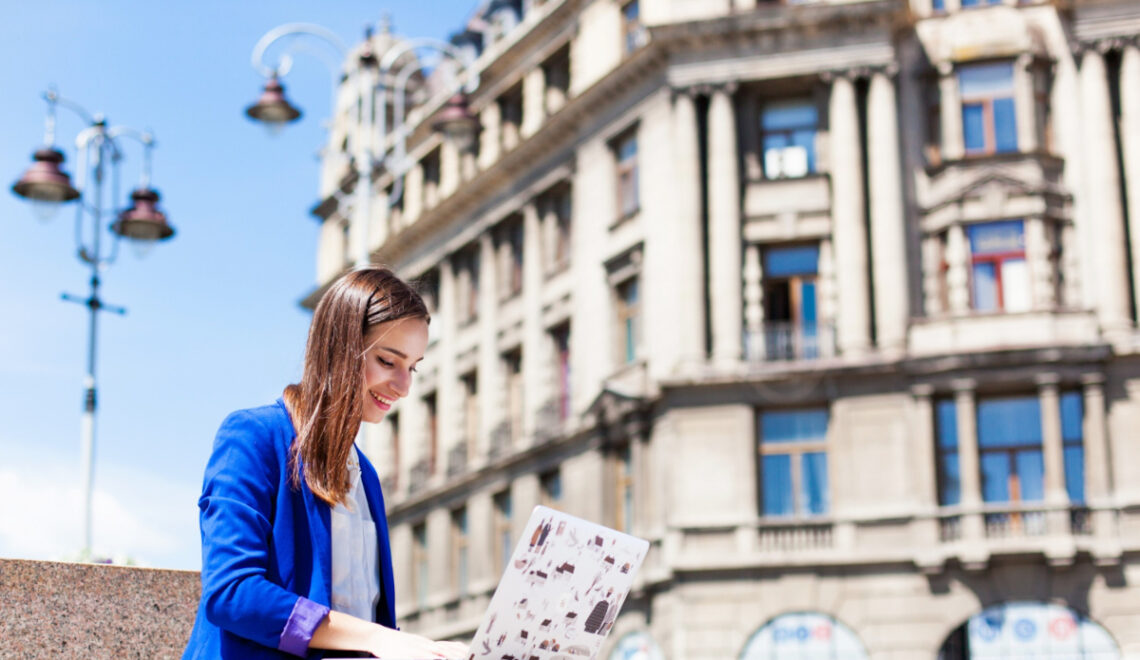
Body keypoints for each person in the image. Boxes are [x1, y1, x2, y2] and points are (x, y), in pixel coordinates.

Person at [183, 267, 468, 659]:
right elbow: (231, 592)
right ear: (340, 348)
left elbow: (359, 619)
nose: (404, 386)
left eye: (413, 367)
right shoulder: (253, 436)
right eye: (388, 361)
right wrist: (380, 639)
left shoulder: (365, 476)